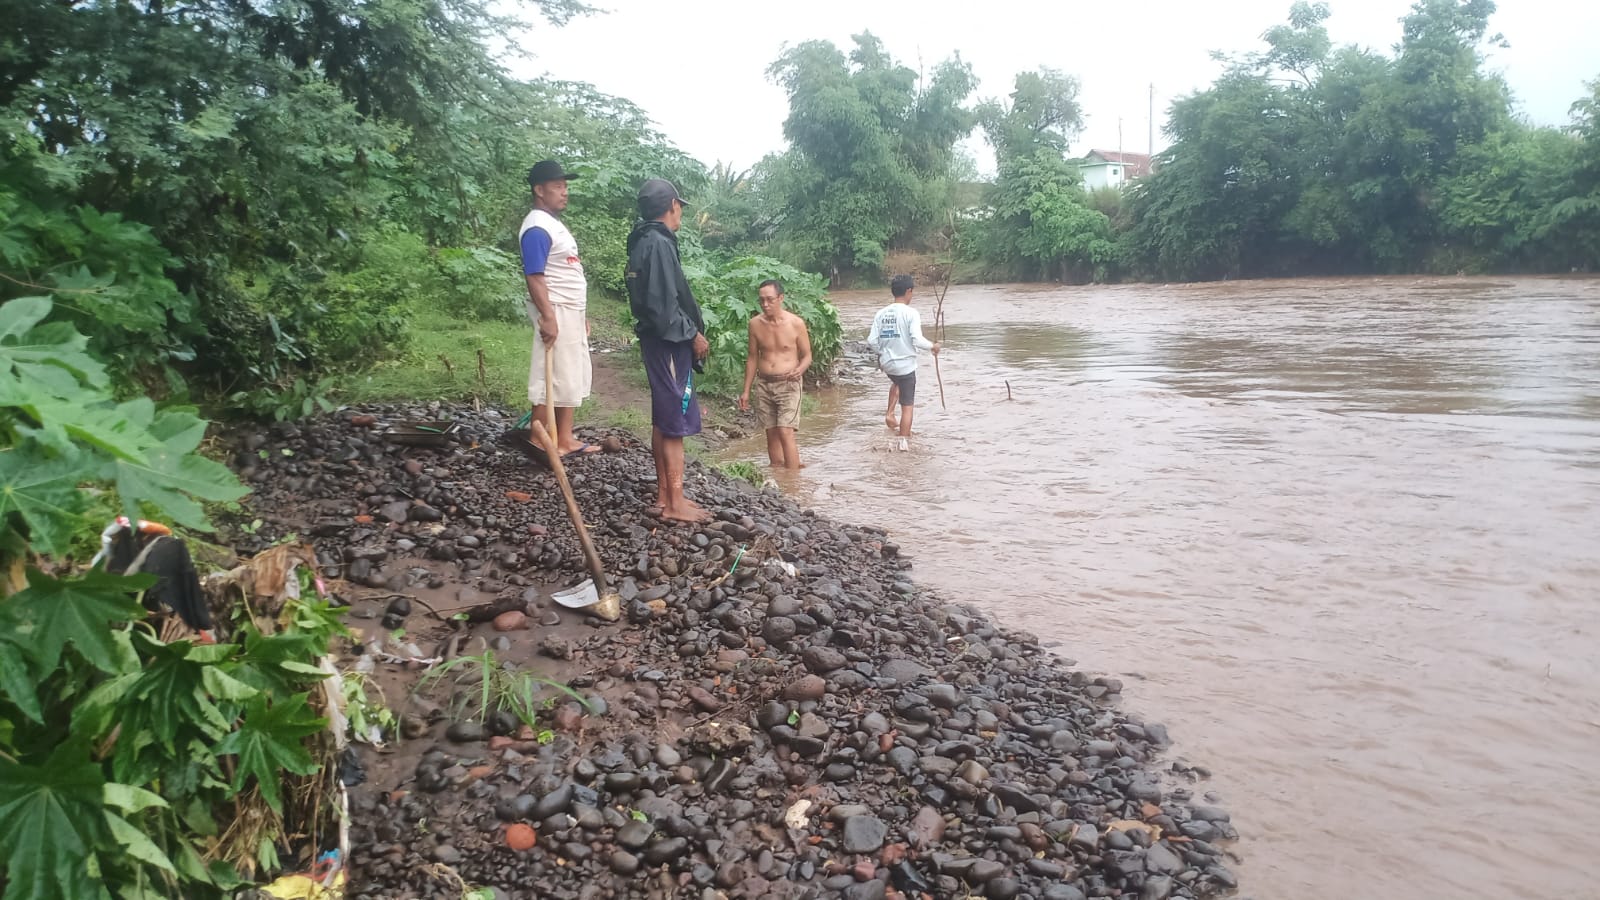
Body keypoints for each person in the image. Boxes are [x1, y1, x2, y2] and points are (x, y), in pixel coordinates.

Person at [625, 178, 712, 523]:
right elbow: (663, 307)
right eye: (680, 208)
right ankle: (675, 501)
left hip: (656, 341)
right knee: (674, 421)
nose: (681, 215)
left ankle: (665, 495)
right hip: (668, 342)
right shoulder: (658, 244)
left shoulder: (642, 241)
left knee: (663, 418)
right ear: (672, 206)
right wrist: (693, 335)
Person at [519, 159, 598, 457]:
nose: (564, 192)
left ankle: (564, 437)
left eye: (565, 186)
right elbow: (535, 275)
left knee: (570, 373)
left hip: (571, 308)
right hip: (556, 308)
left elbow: (566, 270)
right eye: (557, 187)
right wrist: (549, 317)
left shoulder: (552, 224)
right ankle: (540, 438)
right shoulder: (536, 227)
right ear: (539, 190)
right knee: (550, 373)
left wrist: (581, 314)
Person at [739, 279, 812, 469]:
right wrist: (746, 391)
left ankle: (794, 482)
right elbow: (752, 357)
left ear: (781, 298)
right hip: (764, 384)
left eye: (770, 300)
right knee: (771, 432)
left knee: (785, 430)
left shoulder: (796, 324)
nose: (765, 304)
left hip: (788, 383)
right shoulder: (755, 324)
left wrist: (800, 369)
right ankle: (778, 480)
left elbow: (807, 356)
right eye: (761, 300)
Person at [867, 274, 940, 451]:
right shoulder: (911, 313)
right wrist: (933, 346)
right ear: (909, 291)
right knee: (908, 407)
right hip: (905, 365)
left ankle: (890, 413)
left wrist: (883, 353)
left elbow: (872, 341)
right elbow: (917, 339)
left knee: (897, 382)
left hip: (888, 365)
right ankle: (903, 443)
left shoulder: (881, 313)